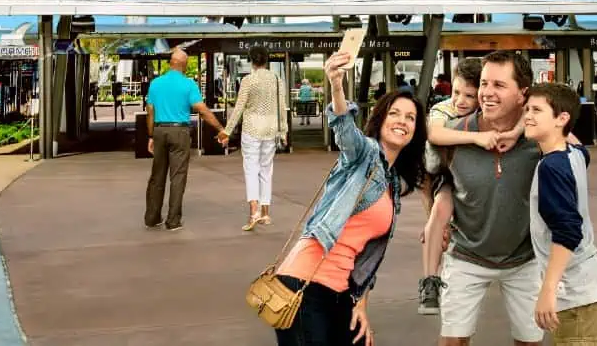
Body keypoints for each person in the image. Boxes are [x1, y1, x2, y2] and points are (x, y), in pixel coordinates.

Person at [273, 50, 427, 346]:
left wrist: (361, 304)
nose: (402, 121)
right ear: (381, 119)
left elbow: (368, 255)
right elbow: (344, 129)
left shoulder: (393, 183)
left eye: (410, 117)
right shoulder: (364, 154)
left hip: (340, 291)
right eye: (394, 113)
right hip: (305, 282)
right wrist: (336, 84)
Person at [428, 50, 546, 346]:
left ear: (523, 94)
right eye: (483, 83)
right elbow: (434, 177)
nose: (486, 93)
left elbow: (575, 144)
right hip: (466, 254)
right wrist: (434, 218)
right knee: (452, 341)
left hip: (525, 258)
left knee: (530, 342)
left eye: (499, 85)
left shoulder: (540, 137)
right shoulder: (455, 135)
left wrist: (520, 129)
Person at [417, 58, 522, 316]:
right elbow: (435, 135)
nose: (460, 101)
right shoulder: (444, 110)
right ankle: (430, 279)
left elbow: (530, 106)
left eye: (469, 95)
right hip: (443, 175)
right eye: (456, 92)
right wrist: (476, 137)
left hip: (467, 173)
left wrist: (518, 131)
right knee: (438, 213)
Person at [523, 83, 597, 345]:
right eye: (526, 109)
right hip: (586, 291)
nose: (527, 116)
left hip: (576, 296)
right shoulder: (574, 154)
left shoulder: (551, 167)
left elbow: (567, 230)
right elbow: (578, 145)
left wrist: (548, 289)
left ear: (562, 118)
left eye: (537, 110)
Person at [145, 49, 228, 231]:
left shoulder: (156, 84)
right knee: (178, 176)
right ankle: (173, 220)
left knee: (157, 176)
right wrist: (221, 129)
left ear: (170, 63)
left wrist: (151, 135)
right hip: (179, 131)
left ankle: (152, 218)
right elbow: (202, 110)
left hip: (159, 130)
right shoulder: (188, 84)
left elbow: (150, 111)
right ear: (184, 65)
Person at [219, 45, 289, 231]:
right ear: (267, 60)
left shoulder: (248, 80)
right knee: (266, 170)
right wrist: (283, 131)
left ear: (251, 60)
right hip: (271, 129)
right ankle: (265, 213)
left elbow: (240, 107)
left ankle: (253, 212)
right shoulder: (276, 80)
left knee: (251, 168)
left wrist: (227, 130)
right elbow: (282, 107)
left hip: (252, 128)